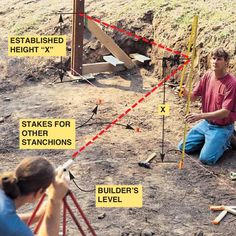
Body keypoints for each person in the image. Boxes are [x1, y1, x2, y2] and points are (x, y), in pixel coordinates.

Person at [178, 47, 236, 165]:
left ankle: (228, 140)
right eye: (213, 58)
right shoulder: (207, 76)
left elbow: (225, 112)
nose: (215, 61)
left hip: (222, 126)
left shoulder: (232, 83)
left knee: (206, 159)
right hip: (206, 123)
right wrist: (184, 93)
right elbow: (193, 97)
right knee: (183, 147)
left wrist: (200, 116)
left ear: (226, 62)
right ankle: (211, 141)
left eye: (219, 59)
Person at [0, 157, 68, 236]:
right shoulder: (14, 230)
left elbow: (7, 220)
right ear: (38, 192)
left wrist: (36, 216)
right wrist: (55, 200)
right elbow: (7, 224)